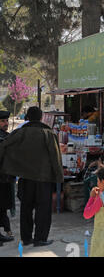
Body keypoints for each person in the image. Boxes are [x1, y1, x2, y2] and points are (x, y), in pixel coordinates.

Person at [0, 106, 64, 247]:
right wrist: (59, 178)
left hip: (25, 179)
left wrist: (9, 168)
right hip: (44, 179)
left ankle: (26, 238)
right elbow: (56, 158)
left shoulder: (19, 133)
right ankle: (40, 238)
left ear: (27, 117)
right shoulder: (48, 134)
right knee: (43, 210)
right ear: (41, 117)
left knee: (26, 209)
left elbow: (4, 146)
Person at [0, 111, 15, 246]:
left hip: (5, 178)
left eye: (6, 121)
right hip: (2, 178)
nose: (6, 123)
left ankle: (4, 231)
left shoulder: (7, 137)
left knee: (3, 207)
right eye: (3, 121)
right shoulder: (3, 139)